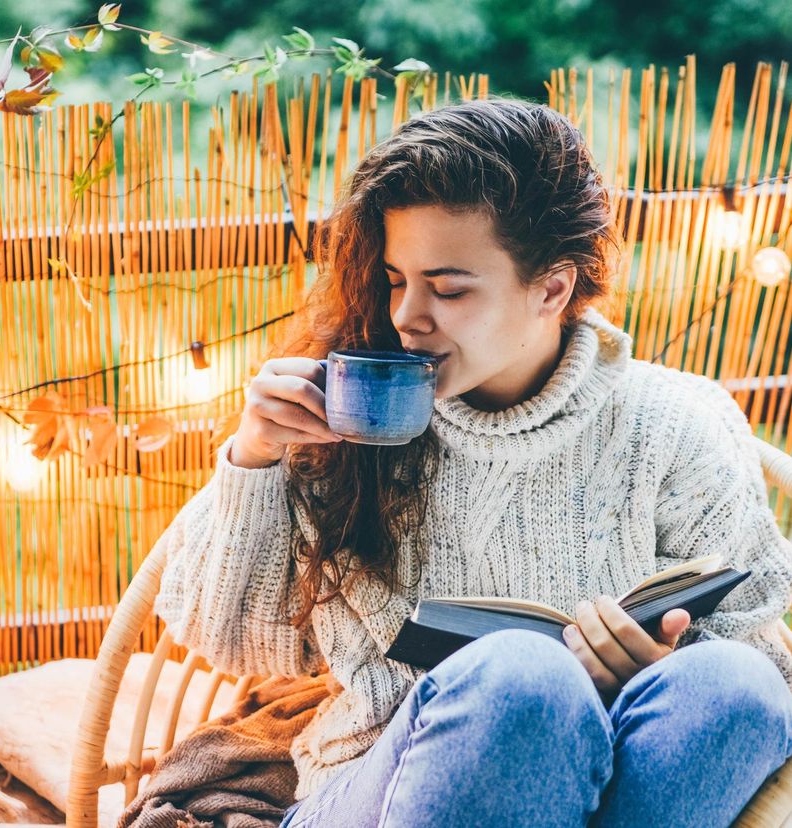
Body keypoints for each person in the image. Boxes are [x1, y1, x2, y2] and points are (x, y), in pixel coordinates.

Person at [152, 98, 792, 827]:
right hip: (376, 789)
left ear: (551, 288)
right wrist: (255, 460)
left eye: (448, 288)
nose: (407, 316)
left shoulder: (674, 423)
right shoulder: (345, 413)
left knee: (731, 684)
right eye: (397, 279)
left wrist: (653, 668)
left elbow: (759, 650)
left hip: (616, 787)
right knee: (522, 677)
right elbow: (229, 640)